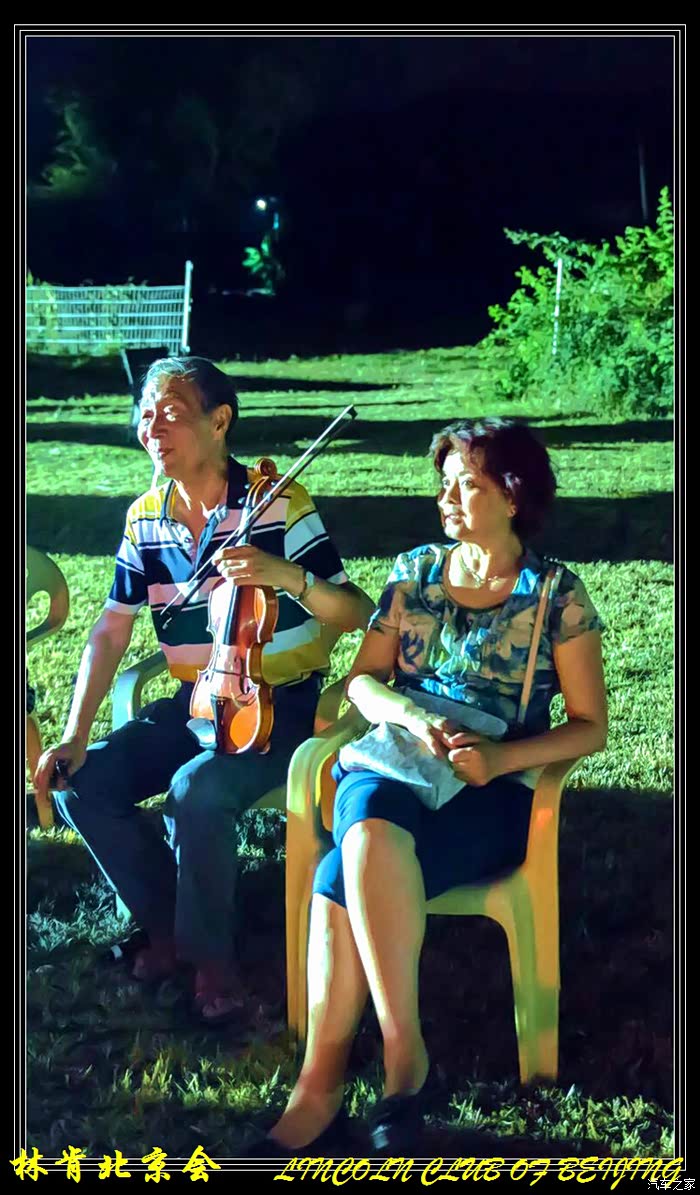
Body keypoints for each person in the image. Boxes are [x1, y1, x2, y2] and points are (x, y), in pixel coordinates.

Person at [253, 417, 608, 1156]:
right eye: (444, 483)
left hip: (489, 790)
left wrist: (499, 761)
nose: (447, 498)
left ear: (513, 496)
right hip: (401, 759)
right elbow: (362, 682)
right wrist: (413, 717)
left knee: (339, 866)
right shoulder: (413, 572)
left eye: (466, 484)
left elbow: (588, 727)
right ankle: (398, 1060)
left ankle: (324, 1089)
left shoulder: (557, 596)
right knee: (369, 802)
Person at [34, 356, 374, 1025]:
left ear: (220, 422)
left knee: (198, 789)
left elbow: (358, 611)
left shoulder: (280, 504)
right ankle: (170, 930)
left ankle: (214, 967)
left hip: (280, 704)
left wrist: (286, 575)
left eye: (171, 412)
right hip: (195, 700)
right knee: (81, 782)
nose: (151, 427)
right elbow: (111, 629)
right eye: (145, 414)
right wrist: (73, 734)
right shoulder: (145, 518)